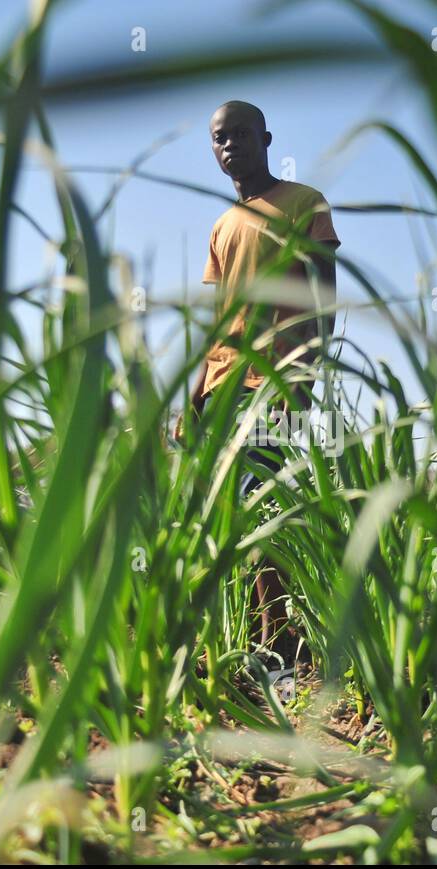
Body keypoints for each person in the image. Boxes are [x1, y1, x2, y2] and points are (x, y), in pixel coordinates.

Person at [179, 99, 340, 664]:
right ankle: (249, 638)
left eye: (240, 135)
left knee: (261, 504)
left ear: (266, 138)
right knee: (223, 513)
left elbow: (324, 295)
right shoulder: (222, 224)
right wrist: (192, 397)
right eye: (219, 139)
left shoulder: (303, 202)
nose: (230, 146)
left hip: (273, 382)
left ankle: (278, 638)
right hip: (220, 388)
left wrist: (306, 379)